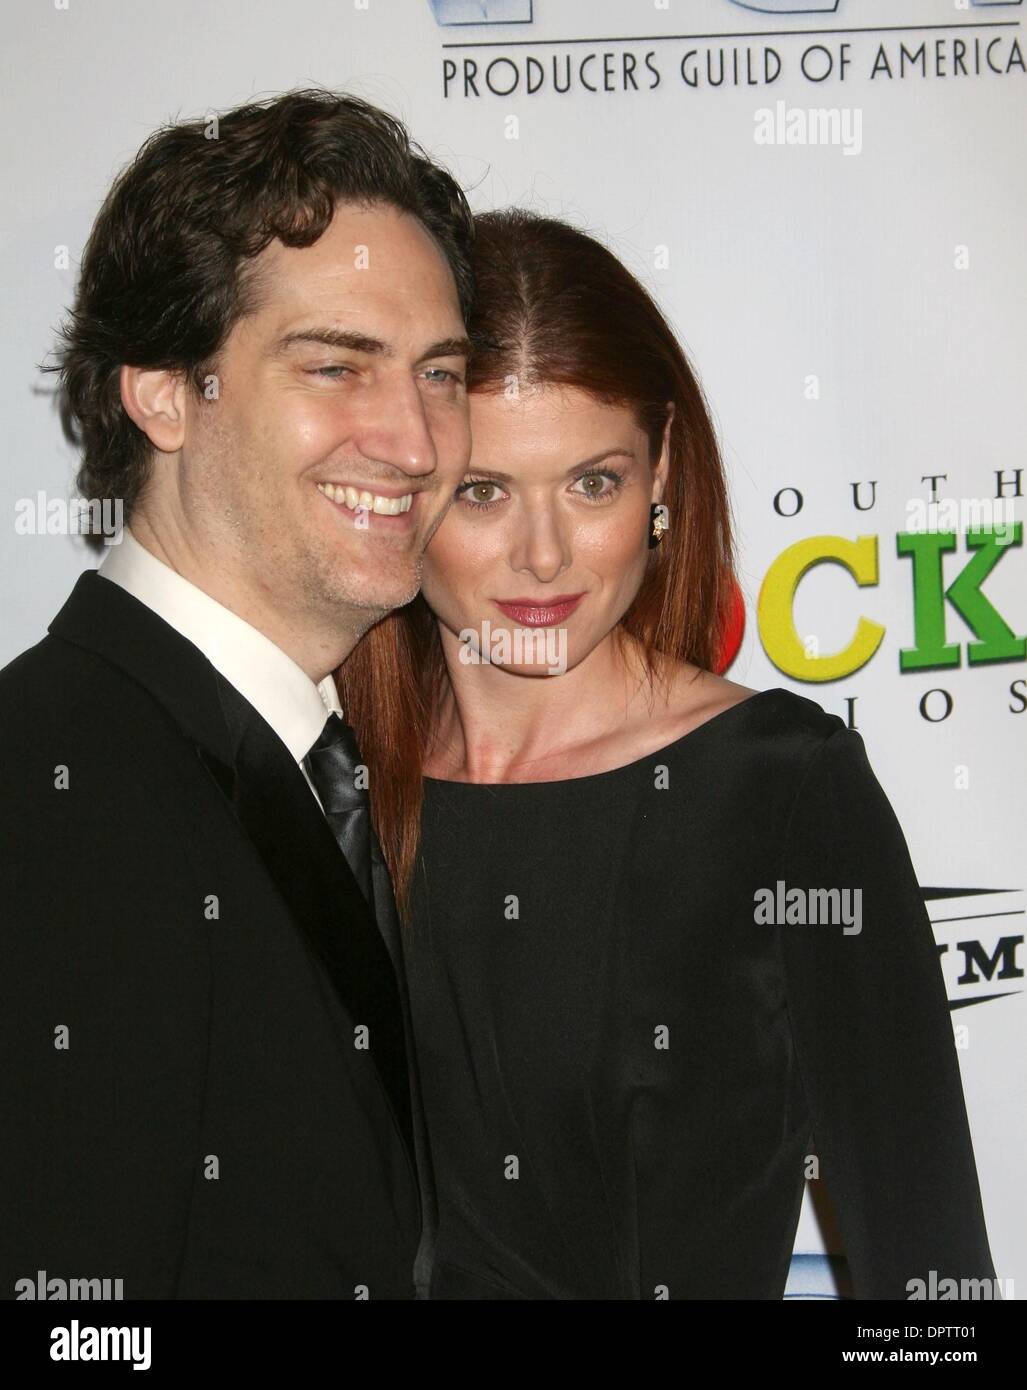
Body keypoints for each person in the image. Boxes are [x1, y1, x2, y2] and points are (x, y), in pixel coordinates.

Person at [336, 208, 998, 1300]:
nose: (542, 553)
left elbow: (930, 1276)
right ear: (405, 485)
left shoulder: (779, 792)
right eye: (483, 490)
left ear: (660, 473)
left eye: (593, 481)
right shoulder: (332, 792)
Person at [0, 89, 474, 1299]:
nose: (415, 443)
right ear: (160, 391)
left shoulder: (310, 755)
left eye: (440, 374)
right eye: (335, 366)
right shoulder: (59, 785)